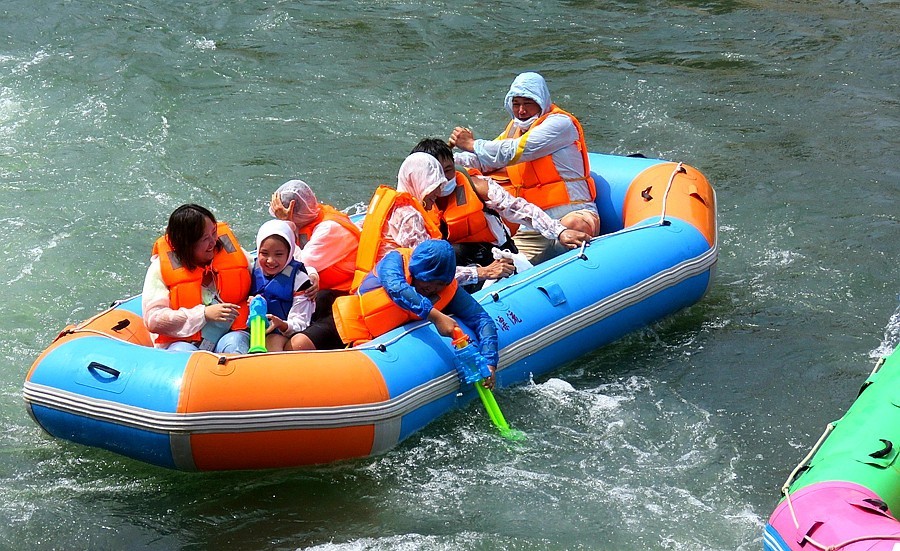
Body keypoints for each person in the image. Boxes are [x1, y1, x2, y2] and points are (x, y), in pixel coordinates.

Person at [449, 71, 601, 262]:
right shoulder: (514, 128)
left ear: (541, 101)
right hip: (535, 221)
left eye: (528, 103)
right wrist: (449, 161)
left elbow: (513, 151)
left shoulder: (560, 124)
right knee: (507, 267)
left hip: (575, 211)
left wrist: (472, 144)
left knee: (574, 224)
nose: (521, 110)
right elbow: (487, 161)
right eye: (516, 104)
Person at [411, 138, 591, 289]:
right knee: (442, 255)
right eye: (436, 172)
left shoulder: (478, 186)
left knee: (452, 252)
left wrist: (559, 231)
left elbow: (519, 209)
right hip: (457, 267)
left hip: (496, 256)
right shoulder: (411, 208)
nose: (443, 179)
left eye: (448, 170)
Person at [333, 239, 499, 388]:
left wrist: (490, 362)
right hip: (347, 327)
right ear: (415, 270)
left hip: (382, 347)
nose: (431, 288)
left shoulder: (449, 289)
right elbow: (396, 288)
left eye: (439, 283)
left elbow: (482, 320)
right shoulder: (394, 261)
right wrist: (435, 316)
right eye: (426, 279)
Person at [352, 152, 514, 291]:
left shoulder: (389, 205)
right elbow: (430, 271)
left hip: (371, 281)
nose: (439, 191)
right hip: (397, 289)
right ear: (418, 181)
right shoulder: (409, 217)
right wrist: (483, 272)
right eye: (434, 184)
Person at [142, 204, 251, 354]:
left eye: (214, 232)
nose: (213, 242)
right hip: (184, 341)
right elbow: (154, 320)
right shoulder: (159, 269)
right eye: (205, 238)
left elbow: (270, 273)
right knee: (182, 352)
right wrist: (204, 314)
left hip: (230, 334)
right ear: (186, 244)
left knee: (235, 343)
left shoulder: (234, 255)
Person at [268, 179, 361, 350]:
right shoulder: (308, 218)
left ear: (293, 209)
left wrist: (286, 225)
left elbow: (295, 265)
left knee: (295, 346)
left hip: (345, 297)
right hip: (320, 294)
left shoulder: (329, 229)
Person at [249, 219, 316, 351]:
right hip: (253, 330)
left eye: (279, 254)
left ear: (289, 253)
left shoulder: (300, 280)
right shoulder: (251, 269)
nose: (270, 261)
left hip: (286, 332)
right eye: (264, 253)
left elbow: (301, 322)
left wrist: (282, 325)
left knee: (272, 342)